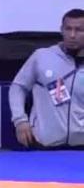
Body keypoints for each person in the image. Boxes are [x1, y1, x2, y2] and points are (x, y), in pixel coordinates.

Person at [9, 8, 84, 149]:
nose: (72, 35)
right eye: (68, 29)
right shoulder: (42, 57)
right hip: (45, 146)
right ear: (61, 30)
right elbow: (18, 87)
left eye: (79, 30)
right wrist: (20, 120)